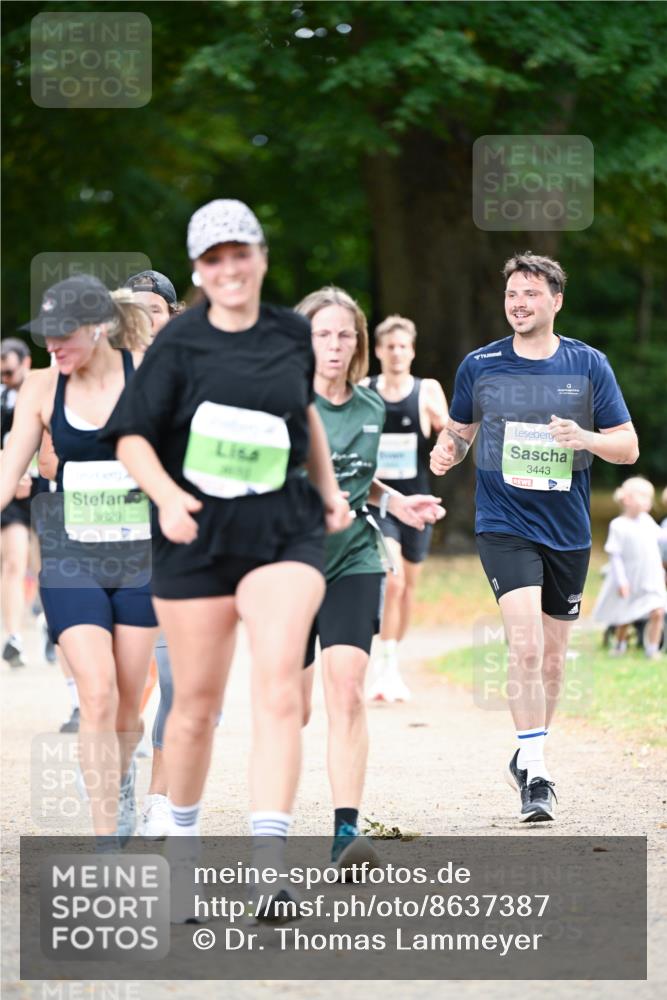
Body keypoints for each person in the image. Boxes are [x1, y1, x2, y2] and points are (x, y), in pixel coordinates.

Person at [99, 199, 350, 919]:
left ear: (261, 257)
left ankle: (271, 871)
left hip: (282, 529)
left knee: (277, 688)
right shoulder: (177, 345)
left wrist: (328, 492)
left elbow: (301, 413)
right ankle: (180, 851)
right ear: (198, 272)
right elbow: (133, 438)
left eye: (239, 253)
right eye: (213, 259)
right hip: (194, 534)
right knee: (194, 709)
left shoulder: (290, 334)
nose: (229, 268)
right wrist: (168, 500)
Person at [430, 252, 638, 822]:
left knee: (553, 658)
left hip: (567, 529)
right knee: (523, 648)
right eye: (511, 295)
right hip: (504, 524)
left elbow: (628, 446)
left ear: (556, 301)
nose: (518, 304)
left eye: (530, 294)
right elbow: (461, 430)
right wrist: (448, 451)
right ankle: (538, 775)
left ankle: (528, 753)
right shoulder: (480, 364)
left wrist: (585, 439)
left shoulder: (588, 365)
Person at [0, 274, 158, 844]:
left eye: (64, 335)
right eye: (46, 336)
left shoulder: (147, 376)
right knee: (95, 691)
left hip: (141, 558)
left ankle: (121, 783)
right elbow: (8, 468)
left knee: (128, 705)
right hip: (71, 557)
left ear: (99, 328)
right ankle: (106, 837)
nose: (53, 346)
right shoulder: (41, 390)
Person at [296, 287, 444, 870]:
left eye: (344, 334)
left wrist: (397, 502)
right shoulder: (280, 404)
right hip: (289, 563)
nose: (334, 346)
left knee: (347, 691)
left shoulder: (370, 406)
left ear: (359, 342)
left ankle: (346, 831)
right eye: (322, 334)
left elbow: (361, 477)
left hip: (354, 557)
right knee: (295, 708)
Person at [125, 269, 184, 838]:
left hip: (174, 542)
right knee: (119, 686)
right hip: (112, 543)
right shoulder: (93, 377)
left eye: (155, 309)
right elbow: (52, 461)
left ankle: (158, 801)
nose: (145, 319)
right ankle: (119, 780)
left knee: (176, 676)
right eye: (134, 309)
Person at [363, 315, 448, 702]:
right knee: (392, 578)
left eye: (403, 346)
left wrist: (442, 428)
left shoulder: (427, 390)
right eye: (389, 346)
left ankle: (392, 662)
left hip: (418, 501)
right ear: (378, 351)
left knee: (408, 587)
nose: (396, 353)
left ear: (412, 351)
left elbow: (452, 436)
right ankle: (385, 664)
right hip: (378, 500)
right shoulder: (365, 390)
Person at [593, 477, 666, 658]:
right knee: (626, 615)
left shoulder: (648, 521)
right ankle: (619, 644)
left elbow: (662, 539)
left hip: (651, 576)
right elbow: (615, 556)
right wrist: (621, 581)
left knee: (658, 611)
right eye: (642, 497)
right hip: (631, 577)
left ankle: (652, 649)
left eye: (649, 498)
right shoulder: (618, 525)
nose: (648, 501)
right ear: (626, 499)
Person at [1, 338, 34, 666]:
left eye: (8, 371)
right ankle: (14, 636)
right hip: (12, 492)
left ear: (26, 362)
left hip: (46, 491)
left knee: (49, 567)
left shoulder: (47, 389)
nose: (4, 377)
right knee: (13, 563)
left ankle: (51, 623)